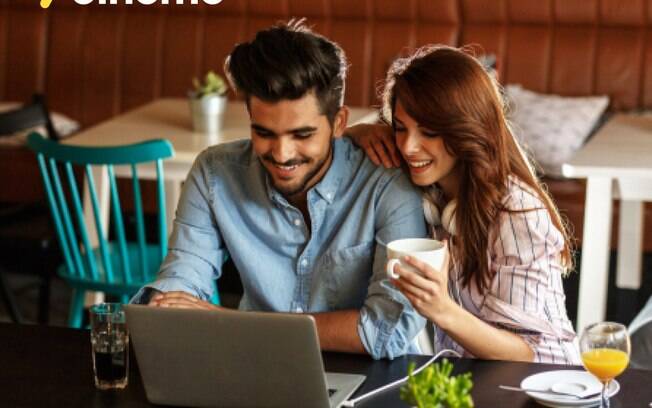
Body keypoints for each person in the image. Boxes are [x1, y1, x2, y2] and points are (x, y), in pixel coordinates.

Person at [131, 21, 429, 360]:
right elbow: (183, 275)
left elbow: (387, 331)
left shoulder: (388, 184)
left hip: (374, 379)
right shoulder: (215, 174)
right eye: (264, 133)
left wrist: (233, 323)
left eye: (302, 135)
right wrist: (166, 305)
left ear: (340, 123)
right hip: (262, 366)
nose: (282, 154)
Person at [348, 45, 580, 364]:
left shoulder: (516, 212)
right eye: (400, 128)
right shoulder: (429, 187)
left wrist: (443, 310)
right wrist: (358, 132)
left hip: (540, 383)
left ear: (466, 130)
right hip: (471, 378)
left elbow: (529, 354)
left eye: (429, 131)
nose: (409, 147)